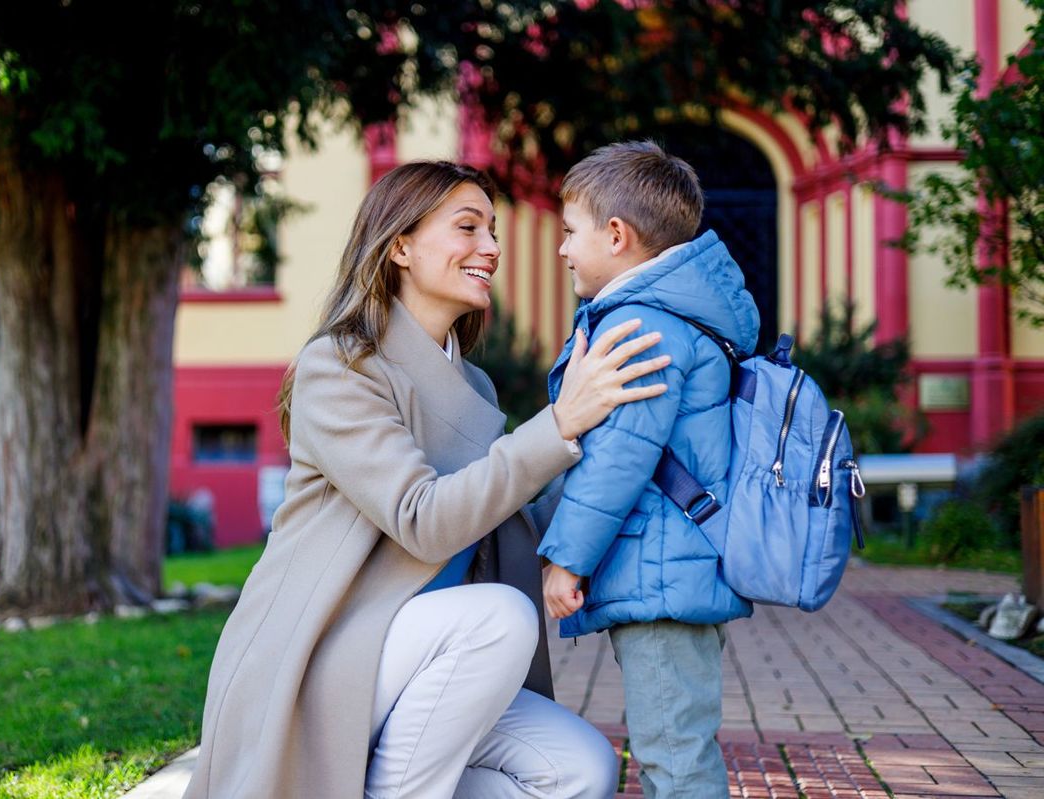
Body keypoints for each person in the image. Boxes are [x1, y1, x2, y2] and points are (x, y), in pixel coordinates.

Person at [183, 160, 673, 799]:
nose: (491, 249)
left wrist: (621, 444)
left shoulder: (472, 383)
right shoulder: (339, 367)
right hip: (326, 656)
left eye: (493, 231)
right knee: (499, 617)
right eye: (468, 228)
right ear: (400, 247)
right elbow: (425, 520)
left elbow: (511, 510)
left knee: (582, 769)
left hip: (429, 666)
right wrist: (558, 423)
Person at [538, 140, 760, 799]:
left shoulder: (642, 325)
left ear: (616, 235)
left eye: (570, 231)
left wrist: (567, 560)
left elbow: (619, 458)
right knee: (673, 744)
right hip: (666, 568)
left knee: (675, 758)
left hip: (663, 575)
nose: (562, 249)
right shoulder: (665, 316)